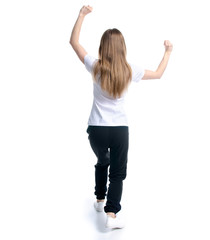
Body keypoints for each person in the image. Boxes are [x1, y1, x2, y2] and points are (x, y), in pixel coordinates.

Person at [70, 5, 173, 229]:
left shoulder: (95, 66)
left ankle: (99, 200)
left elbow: (75, 43)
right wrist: (167, 52)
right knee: (117, 172)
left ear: (103, 47)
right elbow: (158, 74)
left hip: (96, 128)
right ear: (122, 48)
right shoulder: (129, 70)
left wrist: (81, 16)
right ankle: (111, 215)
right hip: (119, 130)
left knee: (102, 162)